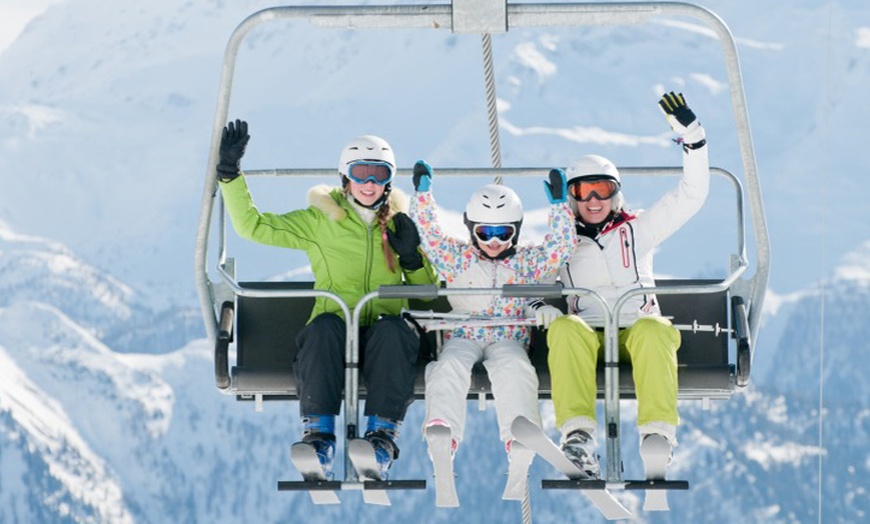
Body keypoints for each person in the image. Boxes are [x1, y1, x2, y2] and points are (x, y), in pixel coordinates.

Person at [215, 121, 438, 479]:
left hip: (386, 339)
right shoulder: (322, 220)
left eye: (378, 174)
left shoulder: (400, 225)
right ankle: (319, 438)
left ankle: (380, 441)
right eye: (360, 173)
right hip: (334, 336)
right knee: (323, 329)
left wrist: (411, 257)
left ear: (389, 180)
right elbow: (253, 227)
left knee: (395, 331)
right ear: (344, 177)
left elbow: (427, 292)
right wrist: (230, 175)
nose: (369, 183)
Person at [546, 92, 709, 481]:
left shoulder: (639, 229)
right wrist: (543, 309)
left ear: (616, 192)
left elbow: (693, 195)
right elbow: (531, 277)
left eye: (602, 189)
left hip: (637, 326)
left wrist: (694, 140)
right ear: (570, 198)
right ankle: (579, 438)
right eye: (583, 191)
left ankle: (657, 437)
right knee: (565, 328)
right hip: (591, 332)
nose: (593, 199)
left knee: (655, 330)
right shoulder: (559, 241)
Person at [408, 161, 577, 504]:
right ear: (472, 230)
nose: (495, 242)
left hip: (509, 336)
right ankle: (443, 434)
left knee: (515, 370)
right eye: (485, 233)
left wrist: (560, 207)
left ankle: (520, 441)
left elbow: (561, 248)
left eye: (504, 234)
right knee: (447, 368)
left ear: (516, 231)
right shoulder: (457, 258)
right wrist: (422, 196)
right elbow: (426, 235)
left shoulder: (528, 262)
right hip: (464, 333)